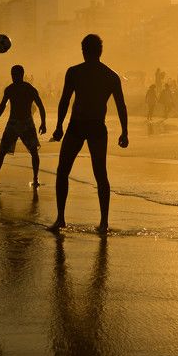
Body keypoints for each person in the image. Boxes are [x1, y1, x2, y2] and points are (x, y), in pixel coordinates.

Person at [51, 34, 128, 233]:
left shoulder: (75, 72)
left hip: (77, 125)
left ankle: (60, 218)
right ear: (100, 51)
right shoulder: (110, 75)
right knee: (100, 174)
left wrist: (59, 126)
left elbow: (65, 101)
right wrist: (124, 131)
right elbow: (121, 106)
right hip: (96, 127)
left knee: (63, 171)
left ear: (84, 51)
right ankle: (104, 223)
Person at [0, 65, 47, 187]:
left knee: (34, 152)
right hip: (14, 123)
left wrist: (43, 123)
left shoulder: (29, 89)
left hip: (26, 123)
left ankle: (36, 179)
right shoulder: (10, 89)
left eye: (15, 75)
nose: (13, 77)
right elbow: (2, 106)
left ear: (21, 75)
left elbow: (41, 106)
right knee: (2, 151)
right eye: (12, 75)